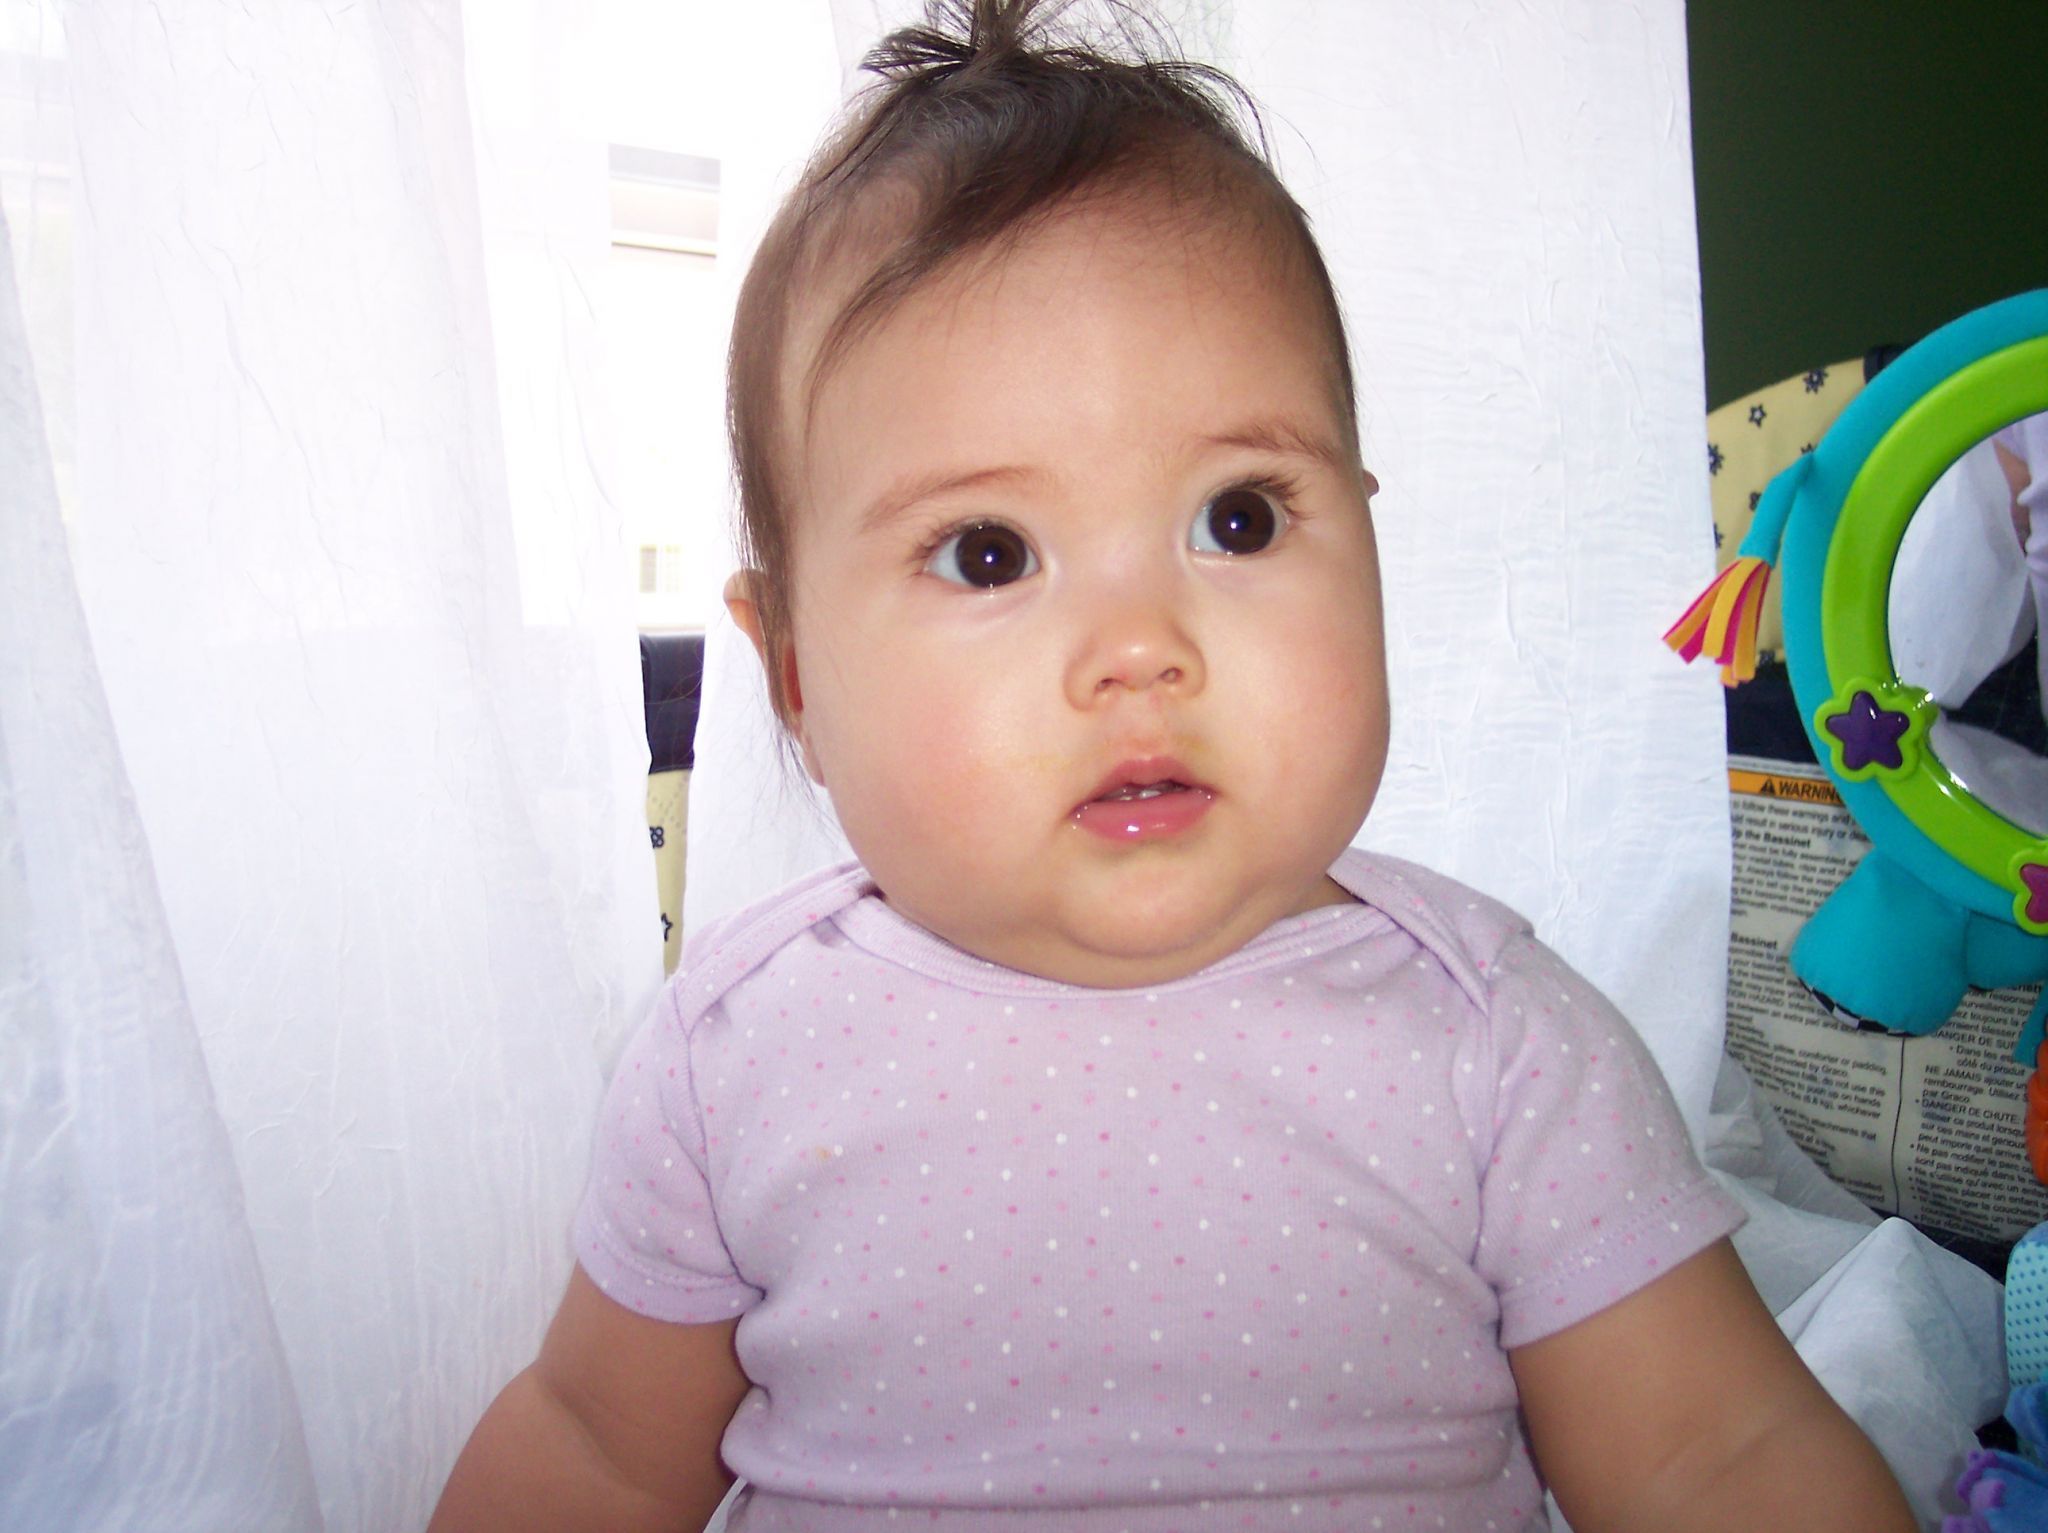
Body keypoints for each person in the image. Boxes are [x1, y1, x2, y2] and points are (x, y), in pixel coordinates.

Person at [429, 3, 1916, 1528]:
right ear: (795, 674)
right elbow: (596, 1450)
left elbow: (1711, 1452)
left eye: (1238, 519)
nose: (1140, 647)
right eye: (989, 552)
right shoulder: (733, 1058)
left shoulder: (1503, 1049)